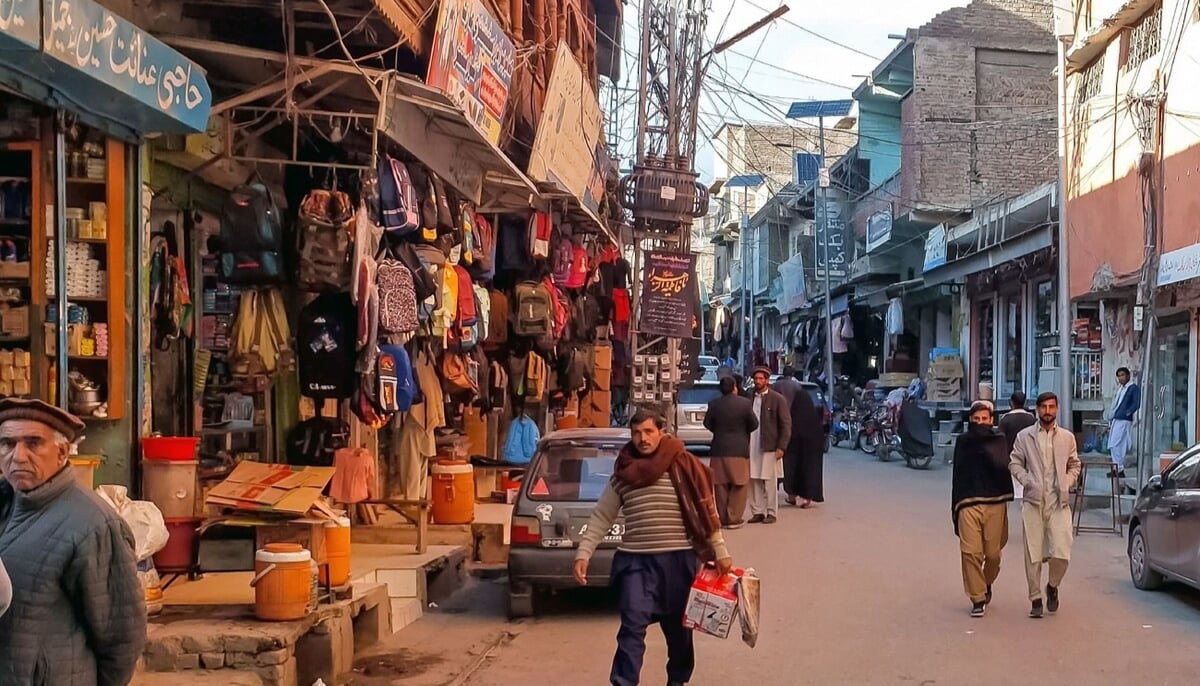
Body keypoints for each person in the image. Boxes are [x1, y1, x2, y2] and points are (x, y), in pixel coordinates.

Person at [574, 408, 732, 686]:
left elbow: (705, 508)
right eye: (636, 433)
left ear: (661, 431)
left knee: (680, 633)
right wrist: (584, 552)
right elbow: (602, 515)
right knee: (631, 628)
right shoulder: (624, 472)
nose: (642, 438)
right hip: (636, 564)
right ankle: (624, 681)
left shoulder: (682, 464)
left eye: (648, 431)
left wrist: (720, 551)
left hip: (678, 563)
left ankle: (678, 681)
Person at [0, 398, 146, 684]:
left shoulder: (92, 523)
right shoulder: (5, 502)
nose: (17, 456)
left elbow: (121, 636)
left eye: (33, 443)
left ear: (62, 452)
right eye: (7, 443)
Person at [1009, 392, 1081, 619]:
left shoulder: (1067, 438)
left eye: (1051, 407)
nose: (1047, 411)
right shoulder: (1025, 436)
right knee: (1033, 552)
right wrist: (1027, 480)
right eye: (1043, 407)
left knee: (1062, 552)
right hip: (1033, 501)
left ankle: (1052, 586)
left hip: (1059, 502)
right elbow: (1014, 462)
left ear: (1057, 409)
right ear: (1037, 410)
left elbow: (1075, 465)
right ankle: (1035, 598)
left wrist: (1067, 483)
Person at [951, 401, 1015, 618]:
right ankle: (977, 598)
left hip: (995, 502)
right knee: (971, 553)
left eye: (984, 419)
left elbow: (1003, 468)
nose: (980, 423)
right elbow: (958, 475)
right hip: (968, 502)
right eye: (976, 420)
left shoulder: (999, 441)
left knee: (993, 555)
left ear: (992, 421)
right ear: (970, 420)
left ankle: (986, 583)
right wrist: (956, 506)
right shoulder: (963, 442)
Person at [704, 376, 759, 528]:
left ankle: (723, 518)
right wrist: (741, 432)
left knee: (720, 484)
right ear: (734, 387)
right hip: (739, 449)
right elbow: (754, 424)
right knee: (740, 484)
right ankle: (734, 517)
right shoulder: (745, 404)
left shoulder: (714, 404)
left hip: (719, 449)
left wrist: (719, 431)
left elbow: (707, 423)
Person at [748, 366, 791, 524]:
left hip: (770, 445)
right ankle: (757, 511)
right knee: (754, 479)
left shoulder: (777, 399)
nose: (758, 382)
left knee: (770, 480)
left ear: (767, 380)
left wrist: (782, 447)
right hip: (752, 444)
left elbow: (786, 425)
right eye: (756, 379)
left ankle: (772, 513)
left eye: (761, 379)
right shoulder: (750, 397)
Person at [782, 369, 824, 508]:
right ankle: (807, 498)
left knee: (791, 469)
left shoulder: (793, 419)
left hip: (793, 450)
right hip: (811, 453)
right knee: (810, 471)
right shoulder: (814, 421)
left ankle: (791, 496)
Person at [1108, 367, 1140, 477]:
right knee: (1113, 444)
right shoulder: (1121, 388)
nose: (1120, 378)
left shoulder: (1132, 388)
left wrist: (1128, 412)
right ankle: (1116, 468)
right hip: (1117, 418)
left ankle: (1119, 469)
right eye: (1119, 376)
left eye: (1122, 375)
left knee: (1117, 444)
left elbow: (1136, 403)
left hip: (1124, 419)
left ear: (1128, 376)